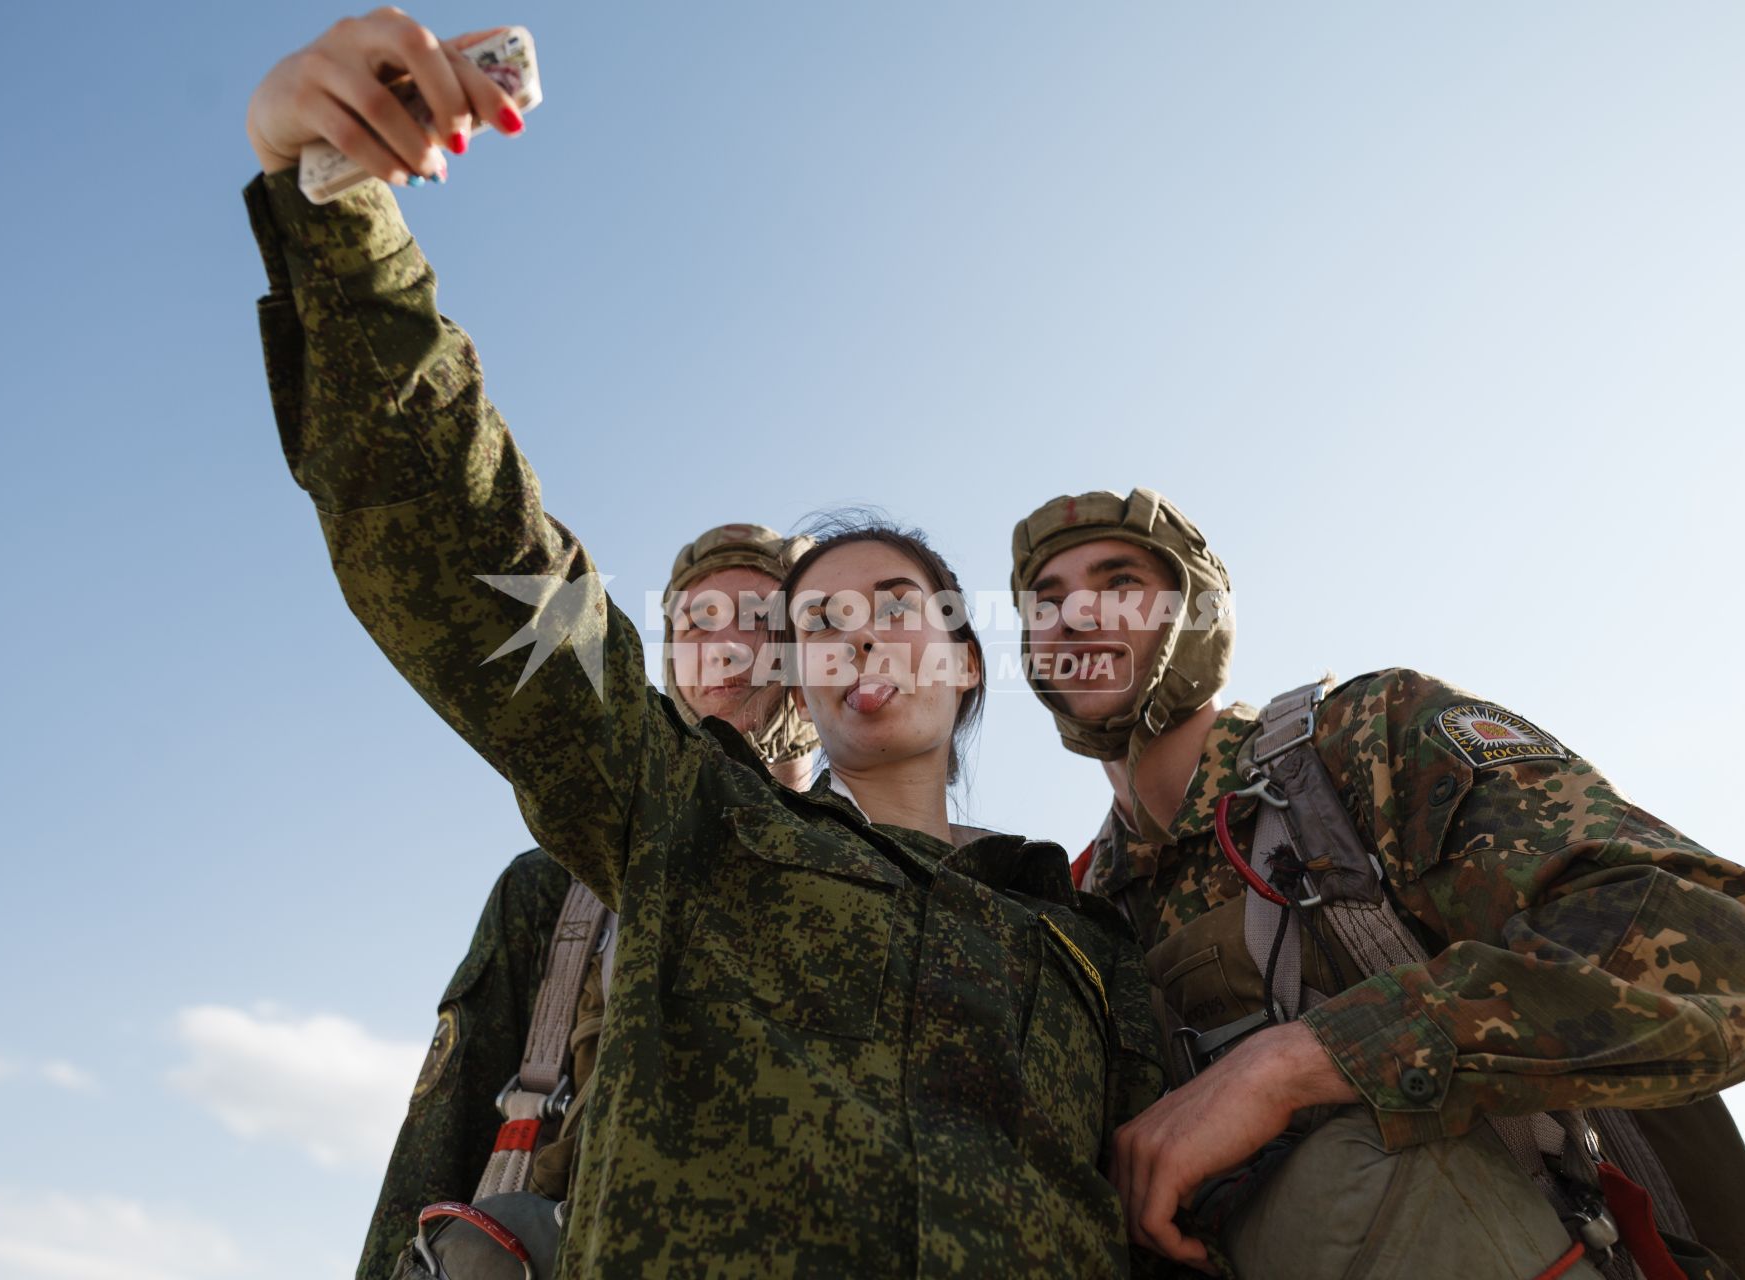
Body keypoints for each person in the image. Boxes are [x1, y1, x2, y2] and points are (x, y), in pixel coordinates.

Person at [244, 13, 1167, 1275]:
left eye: (894, 604)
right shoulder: (690, 830)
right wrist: (346, 228)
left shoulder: (1093, 943)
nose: (856, 636)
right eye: (819, 622)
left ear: (964, 658)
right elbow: (491, 575)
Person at [1009, 487, 1745, 1280]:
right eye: (1046, 602)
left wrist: (1307, 1059)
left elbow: (1735, 946)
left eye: (1120, 584)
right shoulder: (1076, 912)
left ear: (1197, 613)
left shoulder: (1362, 743)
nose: (1077, 615)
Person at [354, 523, 821, 1280]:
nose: (723, 642)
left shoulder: (899, 879)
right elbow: (438, 1143)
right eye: (696, 621)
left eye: (762, 618)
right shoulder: (551, 888)